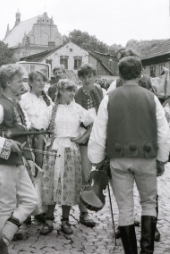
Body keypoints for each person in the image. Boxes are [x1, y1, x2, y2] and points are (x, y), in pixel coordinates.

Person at [88, 57, 170, 254]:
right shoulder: (151, 98)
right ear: (141, 73)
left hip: (119, 159)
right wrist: (162, 158)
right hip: (146, 158)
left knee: (125, 207)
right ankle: (147, 252)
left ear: (120, 74)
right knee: (149, 202)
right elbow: (163, 132)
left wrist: (97, 161)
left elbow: (99, 133)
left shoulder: (110, 98)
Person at [0, 64, 38, 254]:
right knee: (6, 205)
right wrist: (7, 145)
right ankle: (2, 247)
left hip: (16, 160)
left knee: (31, 199)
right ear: (7, 82)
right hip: (3, 162)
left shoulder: (13, 102)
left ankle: (6, 234)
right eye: (19, 80)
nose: (22, 84)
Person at [34, 79, 94, 235]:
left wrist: (82, 138)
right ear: (60, 91)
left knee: (68, 184)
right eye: (69, 90)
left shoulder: (77, 109)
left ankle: (65, 220)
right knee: (51, 185)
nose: (72, 94)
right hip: (53, 150)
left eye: (74, 90)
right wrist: (40, 153)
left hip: (71, 152)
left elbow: (91, 123)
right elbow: (39, 130)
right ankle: (48, 219)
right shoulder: (50, 110)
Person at [20, 71, 53, 223]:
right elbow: (23, 118)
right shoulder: (24, 99)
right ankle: (26, 210)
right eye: (38, 80)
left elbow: (53, 115)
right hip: (30, 138)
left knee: (42, 174)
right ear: (30, 82)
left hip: (44, 139)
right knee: (30, 173)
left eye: (43, 81)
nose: (41, 83)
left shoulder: (47, 100)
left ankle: (40, 209)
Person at [74, 63, 103, 227]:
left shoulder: (99, 90)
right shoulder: (77, 94)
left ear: (94, 77)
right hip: (85, 138)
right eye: (83, 77)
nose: (87, 80)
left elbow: (104, 113)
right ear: (80, 78)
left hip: (99, 139)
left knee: (103, 175)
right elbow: (78, 118)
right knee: (85, 175)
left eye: (89, 76)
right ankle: (83, 212)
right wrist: (89, 130)